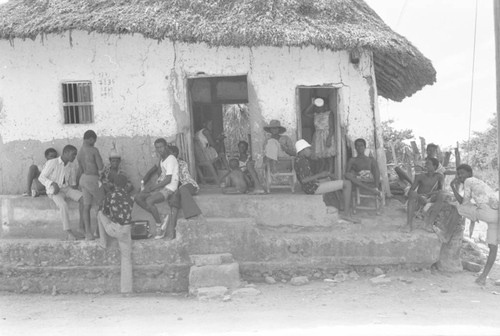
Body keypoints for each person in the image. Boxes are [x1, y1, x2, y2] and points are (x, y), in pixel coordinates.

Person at [451, 164, 499, 286]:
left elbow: (464, 202)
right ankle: (483, 278)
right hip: (496, 215)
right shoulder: (479, 182)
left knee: (458, 206)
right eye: (458, 174)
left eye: (462, 173)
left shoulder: (468, 181)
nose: (460, 176)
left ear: (469, 173)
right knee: (493, 248)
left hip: (488, 213)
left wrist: (452, 187)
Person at [294, 139, 358, 223]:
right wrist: (320, 175)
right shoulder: (302, 161)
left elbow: (305, 177)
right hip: (312, 188)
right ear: (303, 150)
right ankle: (346, 214)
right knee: (347, 184)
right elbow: (304, 180)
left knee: (330, 178)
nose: (310, 151)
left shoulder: (299, 159)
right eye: (308, 149)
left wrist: (322, 176)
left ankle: (341, 205)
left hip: (310, 186)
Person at [134, 138, 179, 238]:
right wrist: (151, 187)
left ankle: (160, 226)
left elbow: (168, 179)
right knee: (138, 198)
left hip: (170, 188)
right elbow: (161, 176)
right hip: (162, 187)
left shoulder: (171, 159)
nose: (159, 150)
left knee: (149, 201)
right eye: (157, 148)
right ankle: (161, 217)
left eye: (161, 147)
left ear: (166, 146)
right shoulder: (162, 160)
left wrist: (154, 187)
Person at [97, 174, 134, 293]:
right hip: (126, 230)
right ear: (125, 185)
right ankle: (126, 291)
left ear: (114, 184)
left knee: (99, 214)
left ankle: (103, 241)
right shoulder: (129, 197)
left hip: (114, 228)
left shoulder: (110, 196)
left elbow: (105, 211)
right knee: (126, 259)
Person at [38, 145, 84, 241]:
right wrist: (53, 184)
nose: (74, 157)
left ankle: (81, 227)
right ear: (66, 153)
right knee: (63, 205)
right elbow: (41, 178)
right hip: (55, 192)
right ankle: (68, 232)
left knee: (84, 199)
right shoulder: (52, 162)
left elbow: (73, 184)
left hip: (66, 189)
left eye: (75, 155)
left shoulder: (71, 165)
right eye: (73, 154)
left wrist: (78, 190)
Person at [159, 146, 202, 240]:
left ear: (175, 154)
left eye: (171, 154)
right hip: (176, 189)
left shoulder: (182, 163)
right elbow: (162, 178)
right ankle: (172, 231)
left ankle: (192, 214)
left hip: (188, 185)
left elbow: (182, 179)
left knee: (181, 190)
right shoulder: (165, 163)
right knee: (174, 202)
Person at [77, 130, 105, 240]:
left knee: (86, 206)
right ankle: (98, 231)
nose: (94, 143)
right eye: (94, 140)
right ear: (91, 139)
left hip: (83, 178)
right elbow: (100, 167)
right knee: (102, 204)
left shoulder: (79, 152)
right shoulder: (93, 150)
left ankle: (88, 233)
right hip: (93, 179)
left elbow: (81, 168)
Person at [406, 157, 444, 232]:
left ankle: (429, 224)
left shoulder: (439, 176)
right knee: (413, 194)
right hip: (421, 198)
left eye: (428, 164)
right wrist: (419, 196)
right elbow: (411, 191)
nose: (426, 165)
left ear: (435, 166)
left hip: (431, 198)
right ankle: (408, 225)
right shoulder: (420, 176)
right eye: (426, 164)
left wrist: (431, 194)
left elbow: (440, 190)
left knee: (441, 194)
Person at [303, 97, 336, 173]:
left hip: (326, 134)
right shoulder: (315, 115)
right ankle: (322, 172)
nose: (319, 107)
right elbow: (305, 113)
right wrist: (312, 103)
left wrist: (329, 138)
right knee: (320, 156)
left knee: (329, 156)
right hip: (317, 136)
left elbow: (331, 127)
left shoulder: (329, 113)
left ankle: (330, 172)